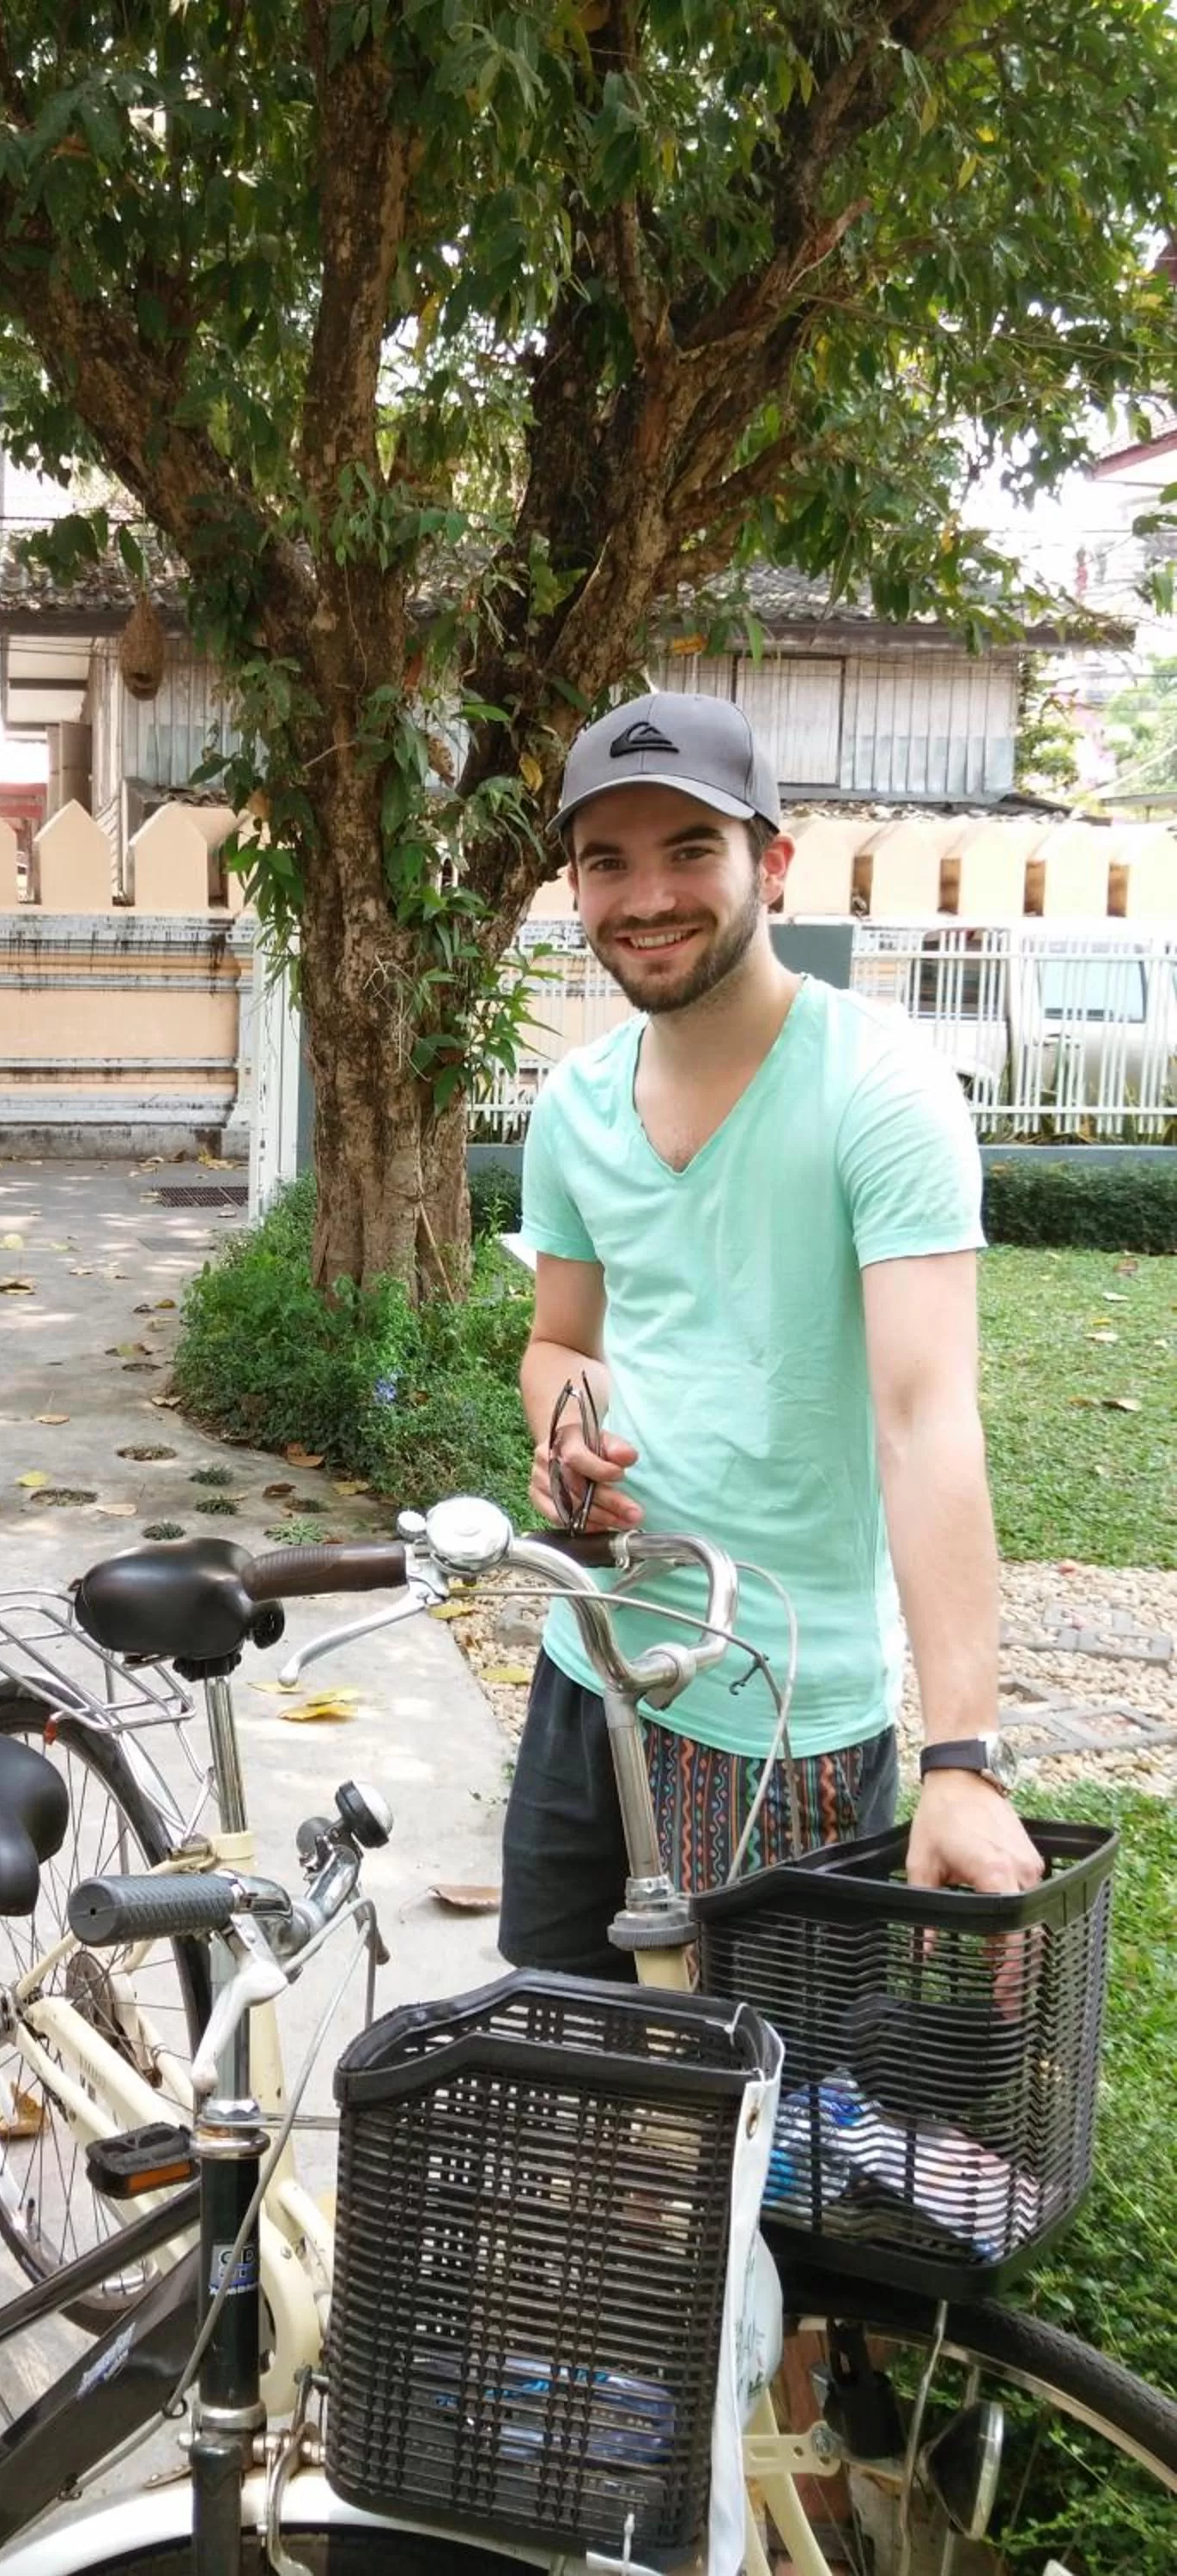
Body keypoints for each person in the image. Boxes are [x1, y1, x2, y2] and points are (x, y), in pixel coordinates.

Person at [503, 692, 1041, 1981]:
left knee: (754, 2117)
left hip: (778, 1696)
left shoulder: (876, 1088)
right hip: (592, 1665)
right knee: (557, 2052)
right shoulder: (574, 1106)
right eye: (605, 861)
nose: (644, 895)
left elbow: (923, 1421)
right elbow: (561, 1339)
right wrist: (568, 1440)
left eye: (689, 847)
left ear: (770, 864)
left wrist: (959, 1756)